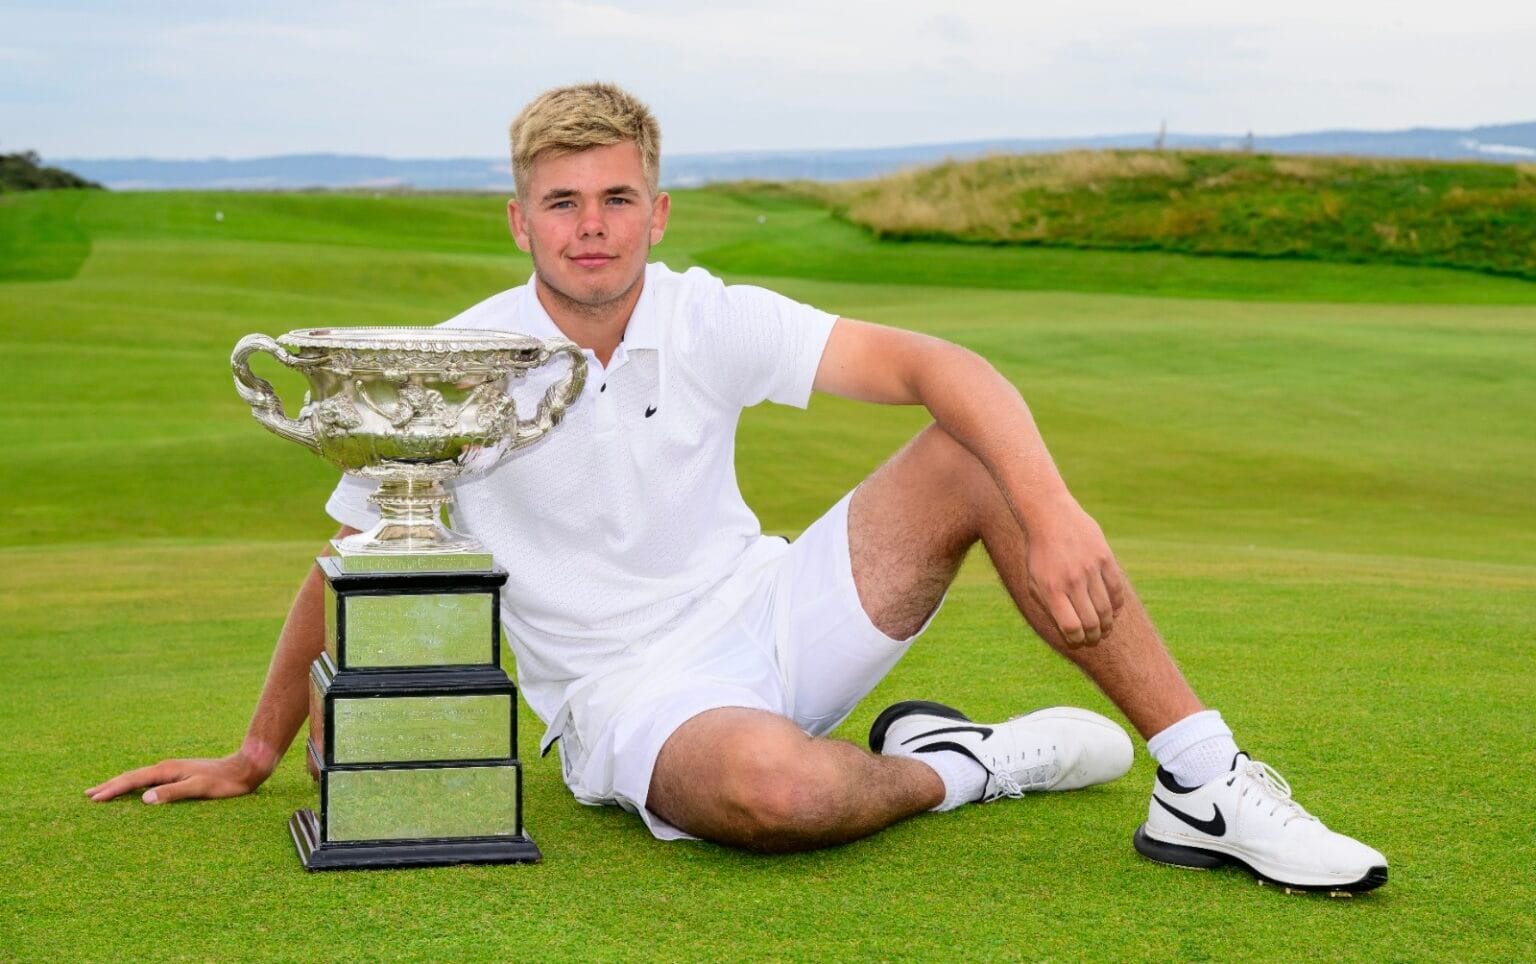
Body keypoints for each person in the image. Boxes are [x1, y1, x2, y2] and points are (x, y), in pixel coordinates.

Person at [87, 83, 1386, 893]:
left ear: (658, 213)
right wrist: (259, 750)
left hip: (773, 613)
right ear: (518, 221)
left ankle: (1205, 784)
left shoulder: (709, 317)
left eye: (615, 198)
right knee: (778, 794)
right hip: (629, 702)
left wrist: (1056, 513)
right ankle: (965, 765)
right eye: (560, 203)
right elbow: (350, 561)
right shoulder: (458, 365)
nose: (588, 224)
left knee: (969, 454)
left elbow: (940, 365)